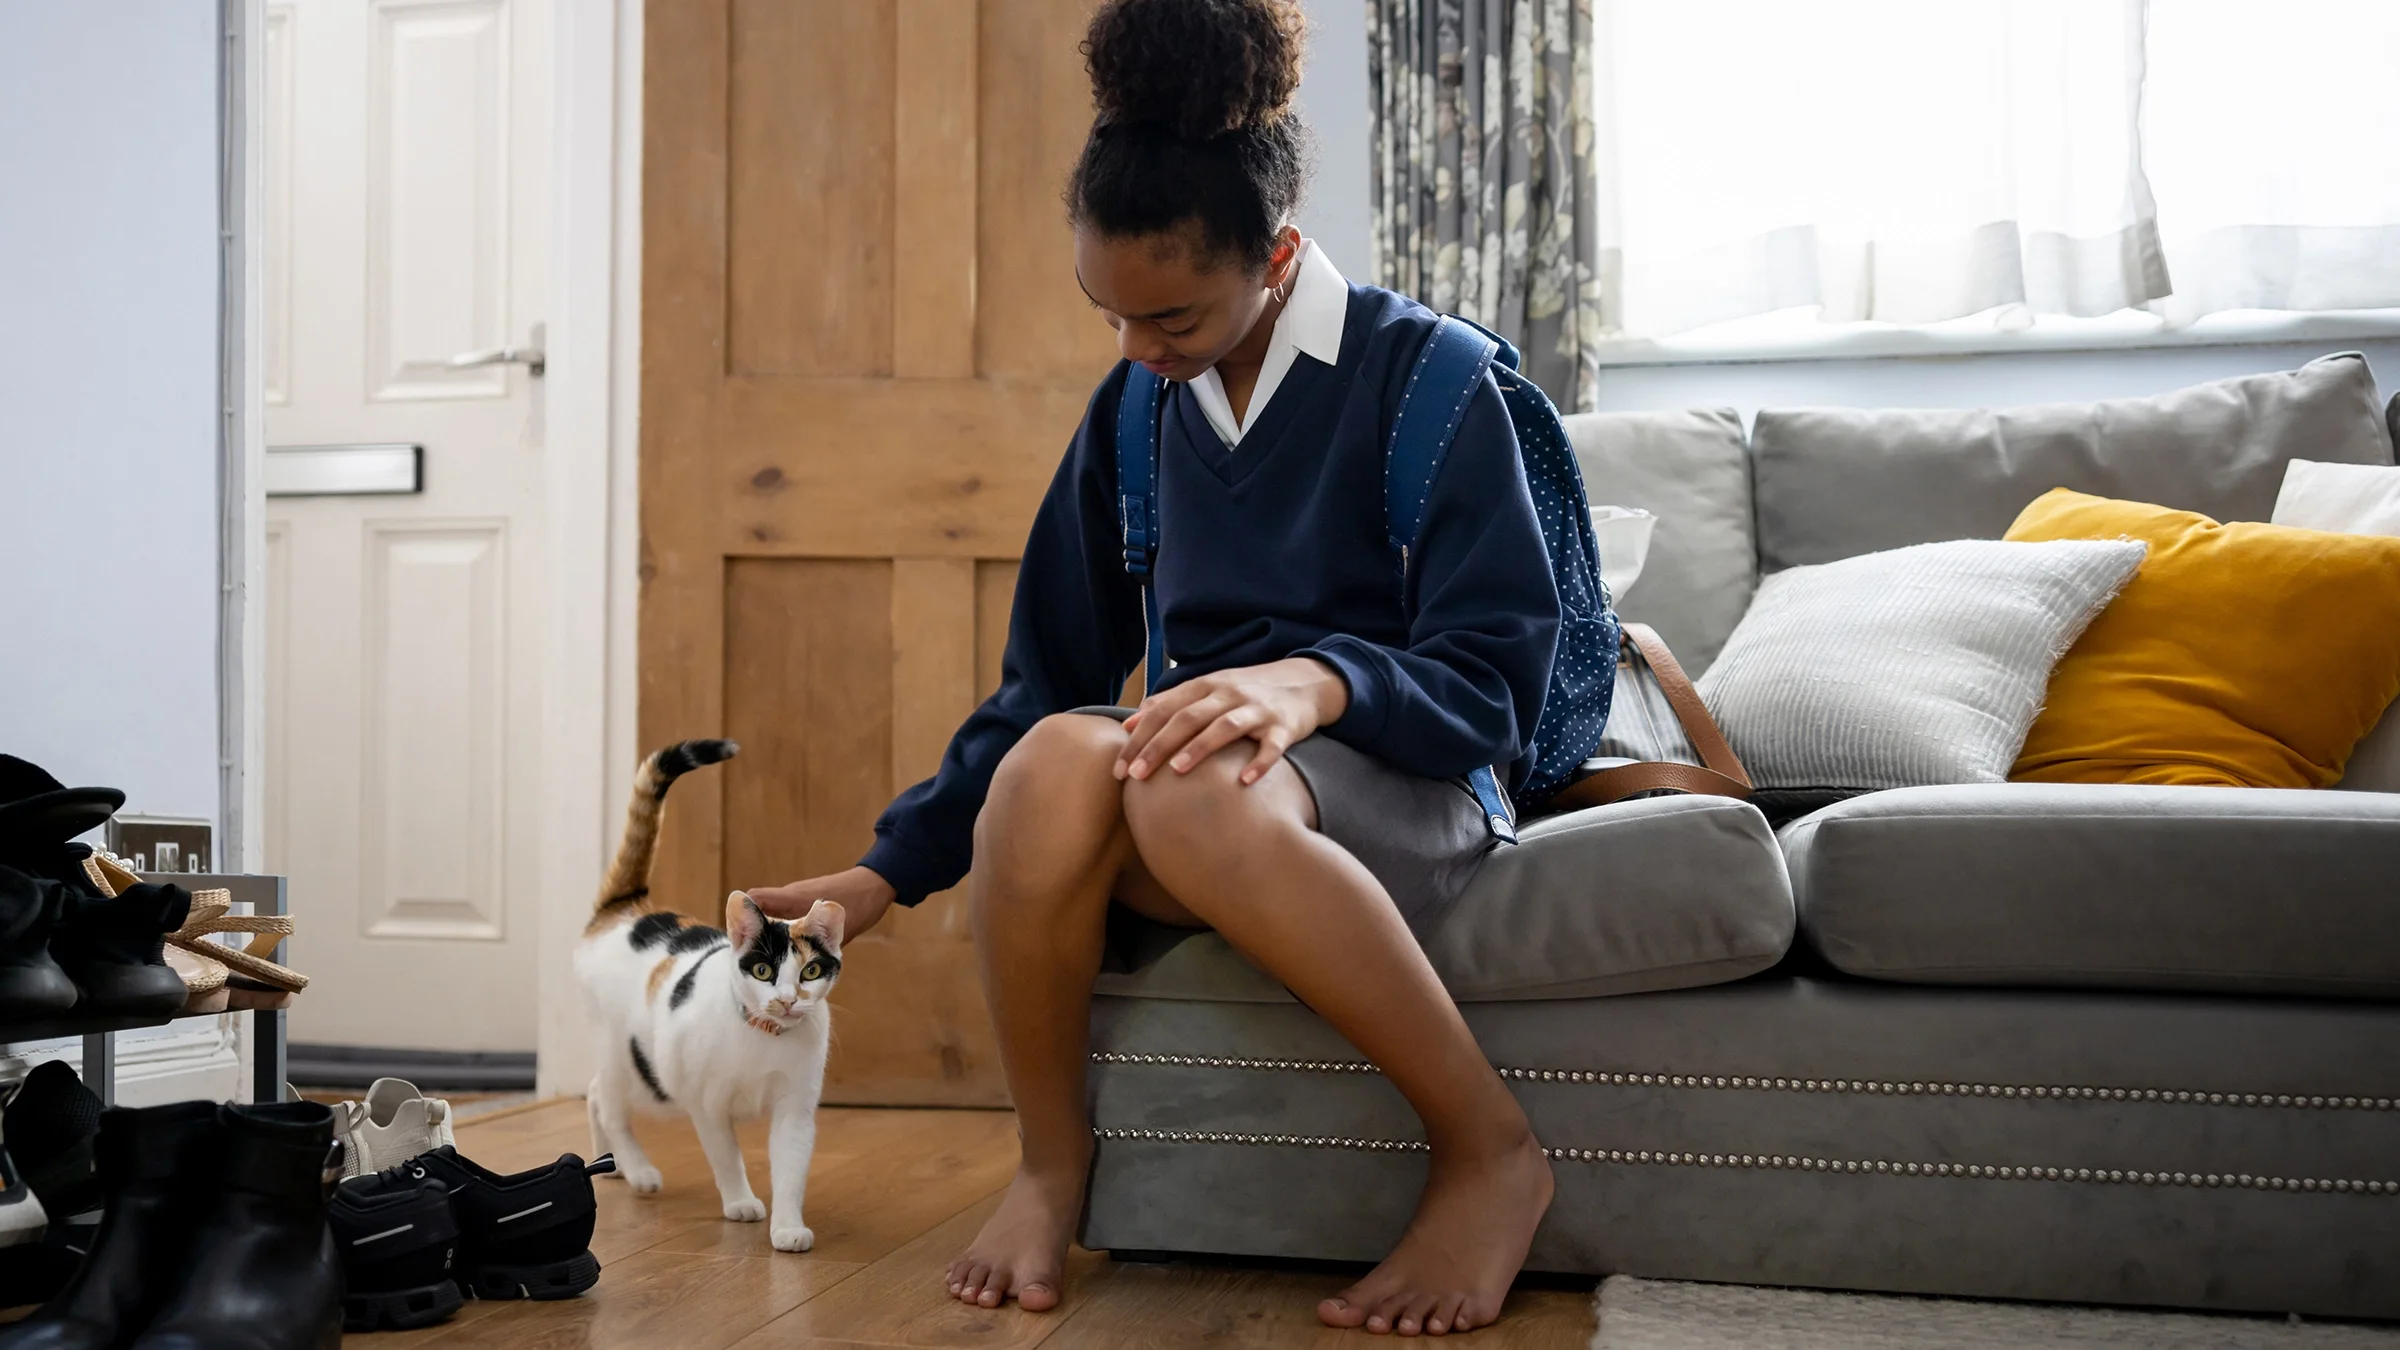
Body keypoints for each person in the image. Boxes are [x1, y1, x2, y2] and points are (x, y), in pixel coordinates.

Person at [749, 0, 1561, 1335]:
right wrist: (882, 872)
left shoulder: (1435, 385)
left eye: (1172, 315)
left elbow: (1497, 687)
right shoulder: (1139, 408)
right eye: (1109, 314)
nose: (1137, 351)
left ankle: (1491, 1151)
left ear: (1279, 256)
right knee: (1054, 760)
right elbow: (1041, 681)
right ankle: (1049, 1165)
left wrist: (1316, 681)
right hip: (1220, 807)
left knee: (1188, 785)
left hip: (1409, 784)